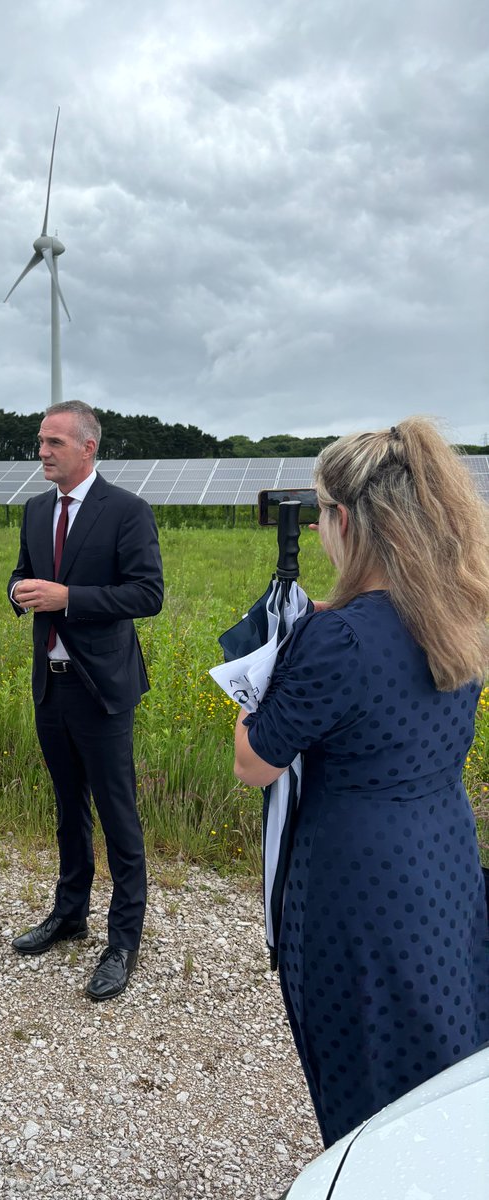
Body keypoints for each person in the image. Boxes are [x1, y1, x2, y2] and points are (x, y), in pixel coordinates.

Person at [233, 417, 489, 1146]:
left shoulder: (336, 639)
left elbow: (255, 762)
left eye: (319, 512)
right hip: (442, 853)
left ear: (346, 519)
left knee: (368, 1065)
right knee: (444, 1036)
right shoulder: (461, 609)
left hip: (359, 880)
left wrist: (259, 676)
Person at [7, 400, 164, 1000]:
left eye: (53, 443)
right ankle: (70, 912)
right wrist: (20, 594)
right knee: (67, 806)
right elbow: (22, 578)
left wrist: (69, 597)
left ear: (87, 448)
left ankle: (124, 938)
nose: (42, 452)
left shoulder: (126, 510)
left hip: (103, 688)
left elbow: (147, 594)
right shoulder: (34, 509)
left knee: (117, 813)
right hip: (51, 683)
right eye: (40, 442)